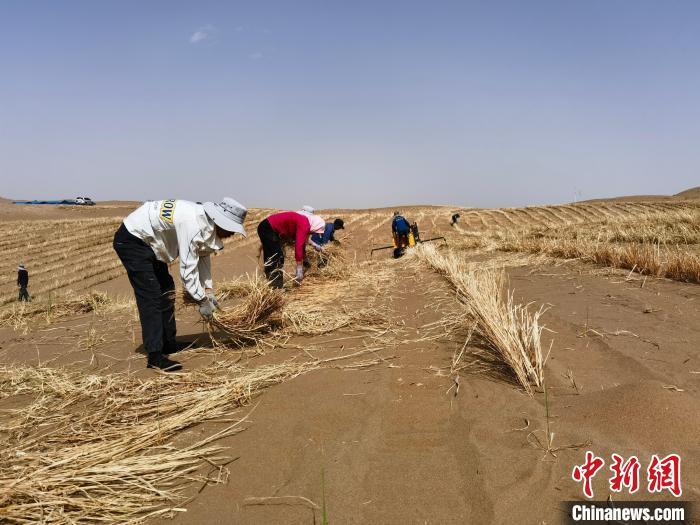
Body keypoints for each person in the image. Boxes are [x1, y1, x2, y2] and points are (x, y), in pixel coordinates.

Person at [113, 197, 247, 371]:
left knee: (166, 289)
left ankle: (169, 343)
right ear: (221, 222)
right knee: (151, 296)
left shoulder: (204, 220)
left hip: (152, 242)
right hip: (134, 240)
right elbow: (187, 271)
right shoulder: (193, 224)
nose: (232, 234)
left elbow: (203, 256)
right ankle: (155, 356)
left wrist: (208, 290)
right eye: (231, 229)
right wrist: (202, 301)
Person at [257, 210, 325, 288]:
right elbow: (298, 245)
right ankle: (276, 288)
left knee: (273, 257)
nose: (312, 234)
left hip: (267, 227)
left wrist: (305, 258)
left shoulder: (304, 222)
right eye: (315, 232)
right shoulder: (304, 224)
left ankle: (272, 284)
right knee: (277, 257)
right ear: (315, 226)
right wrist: (299, 267)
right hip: (268, 228)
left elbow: (302, 244)